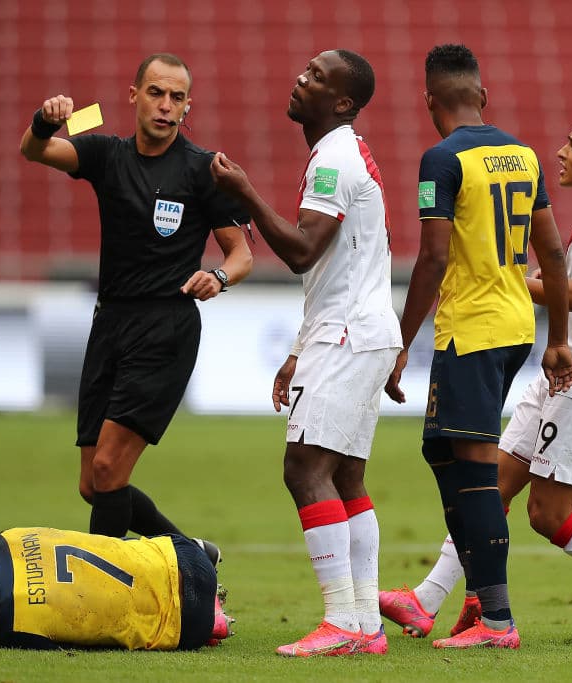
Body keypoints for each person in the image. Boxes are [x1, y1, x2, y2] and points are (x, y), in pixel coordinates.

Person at [381, 114, 572, 642]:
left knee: (547, 514)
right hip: (564, 375)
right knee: (489, 486)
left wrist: (511, 279)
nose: (559, 153)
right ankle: (426, 599)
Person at [382, 44, 572, 650]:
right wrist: (559, 339)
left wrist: (399, 341)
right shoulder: (523, 156)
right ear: (483, 98)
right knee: (441, 452)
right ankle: (473, 598)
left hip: (473, 330)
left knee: (474, 472)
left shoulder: (440, 159)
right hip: (514, 327)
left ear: (429, 101)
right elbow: (553, 252)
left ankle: (497, 622)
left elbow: (434, 255)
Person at [210, 49, 402, 657]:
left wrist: (244, 191)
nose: (300, 78)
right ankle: (365, 623)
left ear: (342, 102)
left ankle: (343, 621)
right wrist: (299, 348)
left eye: (317, 77)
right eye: (305, 69)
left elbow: (300, 251)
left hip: (348, 333)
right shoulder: (344, 154)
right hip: (356, 328)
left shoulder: (333, 160)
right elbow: (338, 268)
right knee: (345, 474)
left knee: (304, 469)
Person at [19, 54, 253, 541]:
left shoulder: (202, 169)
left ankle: (103, 596)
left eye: (177, 97)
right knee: (93, 483)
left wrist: (218, 277)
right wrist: (45, 121)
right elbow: (35, 151)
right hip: (109, 325)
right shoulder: (107, 155)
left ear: (188, 107)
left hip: (164, 328)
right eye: (156, 93)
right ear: (134, 95)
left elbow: (241, 256)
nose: (166, 106)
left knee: (108, 468)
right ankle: (192, 556)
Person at [0, 527, 234, 650]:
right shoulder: (4, 540)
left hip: (186, 627)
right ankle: (199, 552)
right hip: (182, 554)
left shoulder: (18, 629)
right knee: (105, 546)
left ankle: (213, 621)